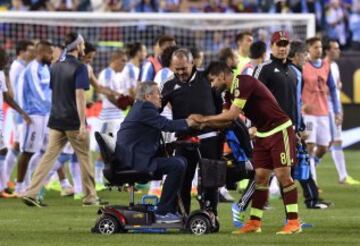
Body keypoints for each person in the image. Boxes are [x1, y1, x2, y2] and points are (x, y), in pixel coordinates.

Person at [191, 61, 301, 235]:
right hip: (263, 133)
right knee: (260, 177)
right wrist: (202, 125)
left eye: (213, 80)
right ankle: (254, 222)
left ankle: (294, 222)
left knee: (283, 175)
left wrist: (203, 119)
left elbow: (233, 114)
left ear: (221, 75)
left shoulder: (243, 82)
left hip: (280, 130)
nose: (212, 85)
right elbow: (226, 120)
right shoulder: (228, 95)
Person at [22, 32, 103, 207]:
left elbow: (55, 92)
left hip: (55, 119)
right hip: (73, 120)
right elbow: (79, 95)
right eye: (82, 44)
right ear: (77, 46)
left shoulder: (55, 66)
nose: (83, 47)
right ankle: (90, 197)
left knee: (48, 157)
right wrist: (82, 122)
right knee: (84, 157)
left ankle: (31, 192)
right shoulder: (80, 67)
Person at [115, 82, 198, 223]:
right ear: (148, 96)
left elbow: (143, 140)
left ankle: (168, 209)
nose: (161, 97)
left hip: (134, 157)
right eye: (158, 93)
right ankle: (163, 212)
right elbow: (166, 125)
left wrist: (168, 146)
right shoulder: (145, 108)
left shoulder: (141, 108)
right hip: (136, 161)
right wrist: (190, 122)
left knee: (180, 162)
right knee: (178, 164)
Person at [161, 49, 223, 215]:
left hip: (209, 137)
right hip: (184, 140)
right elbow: (156, 109)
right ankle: (182, 216)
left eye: (184, 68)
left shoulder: (207, 79)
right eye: (177, 69)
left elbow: (220, 106)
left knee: (210, 179)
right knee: (182, 178)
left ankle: (210, 214)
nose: (180, 72)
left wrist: (218, 129)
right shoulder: (168, 85)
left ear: (192, 63)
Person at [288, 40, 332, 209]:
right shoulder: (294, 73)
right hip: (290, 125)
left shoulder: (291, 71)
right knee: (294, 163)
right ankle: (310, 200)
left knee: (300, 161)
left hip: (292, 124)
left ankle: (311, 199)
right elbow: (292, 102)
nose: (306, 57)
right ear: (298, 55)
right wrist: (299, 126)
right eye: (305, 54)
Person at [14, 40, 53, 196]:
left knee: (44, 150)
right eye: (49, 53)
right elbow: (39, 94)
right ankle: (19, 186)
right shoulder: (32, 69)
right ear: (41, 53)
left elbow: (48, 91)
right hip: (33, 114)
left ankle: (31, 183)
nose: (51, 56)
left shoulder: (45, 69)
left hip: (45, 114)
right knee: (28, 151)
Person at [302, 37, 341, 184]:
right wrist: (301, 105)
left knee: (324, 146)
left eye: (320, 47)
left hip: (323, 112)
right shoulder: (303, 66)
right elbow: (297, 87)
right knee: (310, 147)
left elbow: (332, 88)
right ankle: (312, 183)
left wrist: (337, 111)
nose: (319, 50)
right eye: (315, 47)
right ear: (309, 49)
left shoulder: (326, 66)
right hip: (308, 113)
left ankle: (309, 169)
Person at [323, 39, 360, 185]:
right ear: (327, 50)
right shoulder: (323, 66)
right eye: (335, 48)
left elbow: (336, 91)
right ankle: (308, 179)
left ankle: (343, 176)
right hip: (323, 110)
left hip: (334, 109)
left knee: (336, 142)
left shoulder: (334, 66)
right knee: (316, 146)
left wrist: (339, 110)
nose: (338, 51)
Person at [3, 40, 34, 194]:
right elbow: (15, 94)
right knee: (25, 149)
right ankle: (23, 185)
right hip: (22, 113)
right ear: (21, 51)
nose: (32, 52)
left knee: (17, 147)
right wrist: (24, 113)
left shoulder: (22, 66)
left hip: (21, 112)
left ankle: (6, 180)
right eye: (30, 50)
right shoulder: (17, 68)